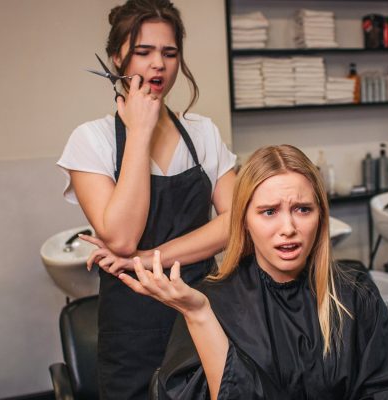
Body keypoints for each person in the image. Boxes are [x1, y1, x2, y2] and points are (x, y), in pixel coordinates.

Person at [120, 145, 388, 400]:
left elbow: (385, 388)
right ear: (244, 221)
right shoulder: (213, 303)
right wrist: (199, 316)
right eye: (269, 212)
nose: (288, 228)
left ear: (321, 215)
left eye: (303, 209)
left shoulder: (355, 294)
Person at [57, 1, 236, 398]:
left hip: (201, 311)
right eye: (143, 52)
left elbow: (235, 222)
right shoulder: (92, 140)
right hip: (131, 330)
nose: (159, 65)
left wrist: (144, 259)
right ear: (116, 56)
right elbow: (121, 237)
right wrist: (140, 130)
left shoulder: (203, 133)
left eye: (170, 53)